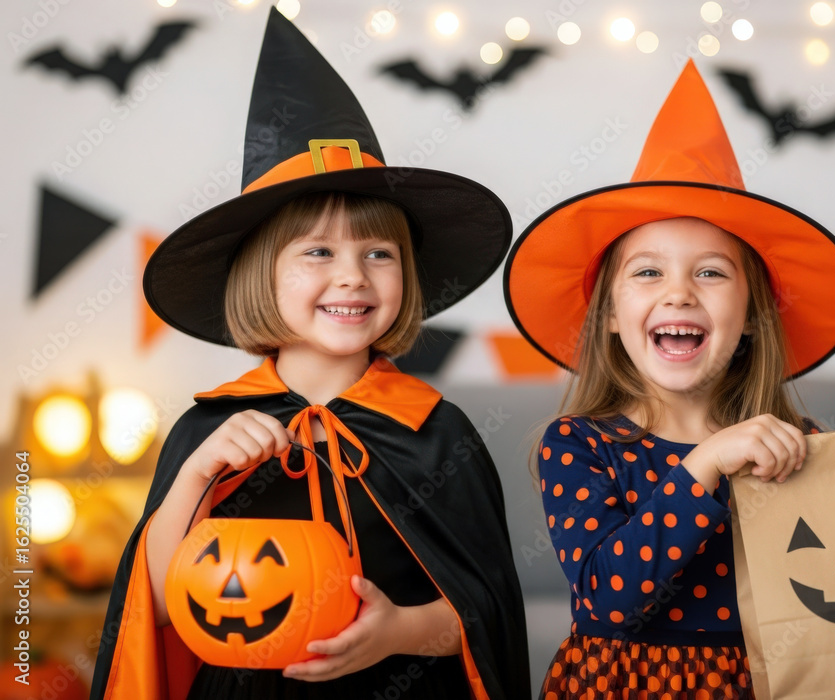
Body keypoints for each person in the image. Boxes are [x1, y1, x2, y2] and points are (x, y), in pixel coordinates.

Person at [92, 8, 529, 700]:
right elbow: (166, 609)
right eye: (318, 253)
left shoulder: (433, 431)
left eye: (378, 253)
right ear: (260, 275)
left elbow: (485, 617)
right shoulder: (210, 430)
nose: (352, 276)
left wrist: (398, 634)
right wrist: (198, 473)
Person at [503, 61, 835, 699]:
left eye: (710, 273)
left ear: (753, 319)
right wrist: (707, 462)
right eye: (648, 273)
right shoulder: (579, 445)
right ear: (612, 321)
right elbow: (607, 602)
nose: (678, 292)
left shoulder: (797, 443)